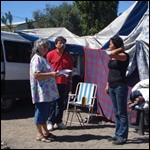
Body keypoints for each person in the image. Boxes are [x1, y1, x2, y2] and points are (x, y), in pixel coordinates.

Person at [30, 38, 60, 143]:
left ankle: (46, 132)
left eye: (47, 47)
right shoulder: (37, 59)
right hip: (41, 92)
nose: (46, 49)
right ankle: (39, 134)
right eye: (44, 46)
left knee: (45, 112)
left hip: (47, 92)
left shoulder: (43, 58)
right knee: (41, 112)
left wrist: (54, 74)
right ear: (38, 47)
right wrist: (51, 74)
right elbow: (36, 75)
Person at [105, 35, 130, 145]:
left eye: (111, 43)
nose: (109, 45)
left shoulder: (123, 55)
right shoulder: (114, 56)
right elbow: (111, 71)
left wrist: (121, 48)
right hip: (112, 85)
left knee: (121, 112)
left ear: (116, 44)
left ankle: (122, 137)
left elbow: (110, 53)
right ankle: (117, 134)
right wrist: (107, 84)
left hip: (120, 86)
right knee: (116, 112)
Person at [46, 36, 73, 130]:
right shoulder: (50, 54)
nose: (62, 45)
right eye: (60, 43)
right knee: (52, 103)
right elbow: (46, 68)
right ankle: (50, 121)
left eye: (64, 43)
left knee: (61, 103)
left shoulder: (67, 56)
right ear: (56, 44)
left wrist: (70, 82)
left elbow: (70, 70)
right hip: (52, 82)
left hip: (64, 82)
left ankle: (58, 121)